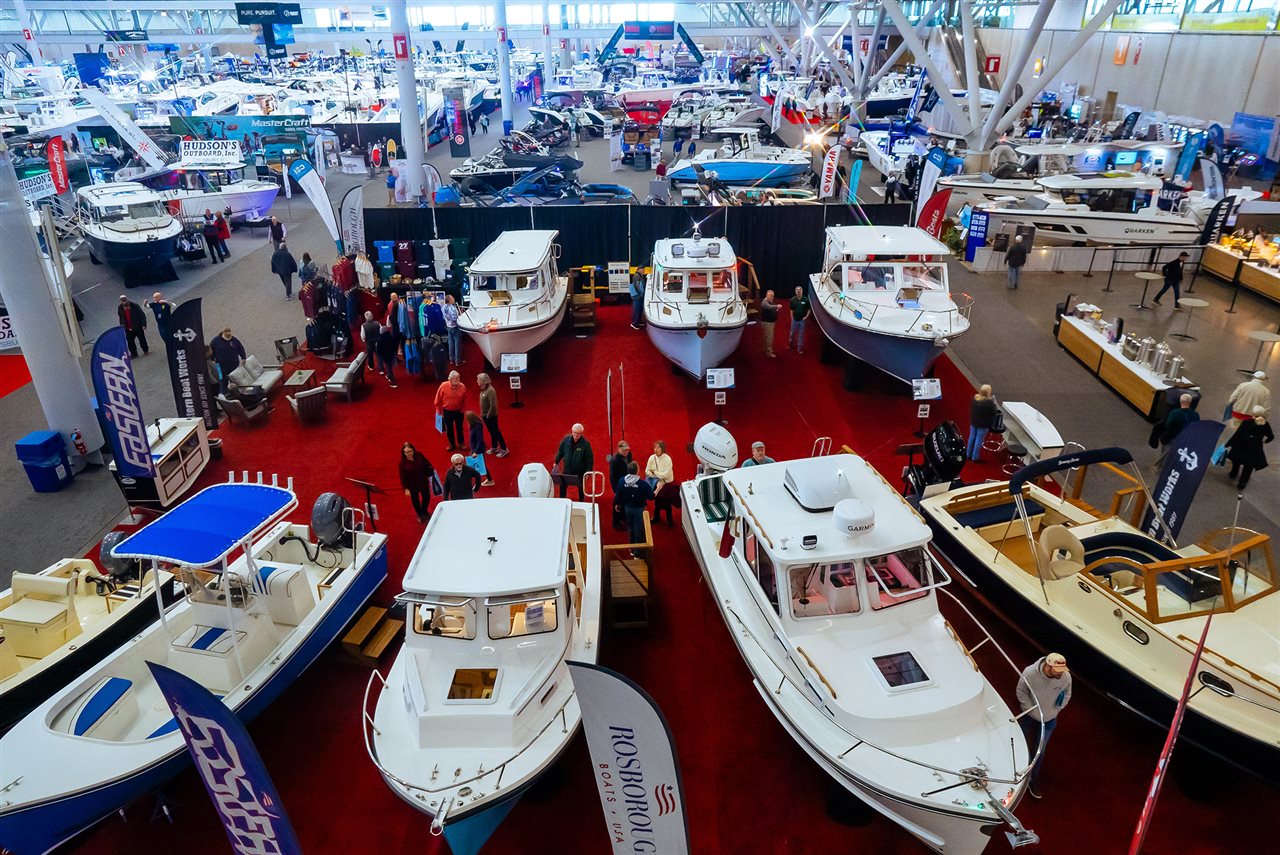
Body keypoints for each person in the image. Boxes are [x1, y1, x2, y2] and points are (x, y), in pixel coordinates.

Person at [1016, 652, 1072, 800]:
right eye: (1057, 671)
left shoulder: (1065, 677)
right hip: (1029, 715)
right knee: (1018, 740)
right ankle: (1013, 769)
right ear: (1048, 666)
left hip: (1049, 718)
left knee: (1040, 749)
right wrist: (1031, 709)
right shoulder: (1030, 673)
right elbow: (1021, 691)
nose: (1060, 675)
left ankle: (1032, 780)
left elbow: (1067, 693)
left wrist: (1057, 709)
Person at [1225, 406, 1273, 489]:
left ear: (1254, 414)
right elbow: (1271, 436)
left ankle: (1233, 473)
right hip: (1254, 448)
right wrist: (1265, 441)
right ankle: (1242, 482)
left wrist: (1228, 444)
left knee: (1237, 460)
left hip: (1241, 445)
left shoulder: (1246, 422)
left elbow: (1237, 434)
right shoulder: (1265, 425)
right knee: (1249, 466)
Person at [1154, 393, 1199, 468]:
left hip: (1173, 437)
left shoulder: (1175, 413)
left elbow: (1168, 425)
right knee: (1180, 454)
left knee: (1165, 452)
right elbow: (1197, 426)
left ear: (1180, 401)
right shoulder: (1195, 414)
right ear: (1190, 402)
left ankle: (1158, 467)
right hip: (1186, 439)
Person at [616, 461, 655, 546]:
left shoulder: (622, 481)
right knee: (638, 529)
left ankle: (631, 548)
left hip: (627, 508)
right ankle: (637, 552)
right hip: (639, 509)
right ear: (637, 471)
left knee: (630, 528)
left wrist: (618, 504)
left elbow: (618, 494)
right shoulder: (643, 484)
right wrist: (658, 488)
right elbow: (651, 496)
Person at [553, 423, 594, 499]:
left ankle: (581, 502)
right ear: (572, 432)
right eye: (574, 433)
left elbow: (589, 459)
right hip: (567, 469)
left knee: (581, 488)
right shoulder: (565, 441)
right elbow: (560, 452)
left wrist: (588, 472)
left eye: (578, 434)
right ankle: (562, 501)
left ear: (581, 433)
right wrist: (556, 461)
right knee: (563, 485)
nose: (576, 435)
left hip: (580, 472)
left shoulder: (585, 444)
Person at [399, 443, 435, 523]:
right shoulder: (402, 464)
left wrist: (430, 470)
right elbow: (403, 477)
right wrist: (406, 489)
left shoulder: (419, 455)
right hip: (412, 485)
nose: (409, 454)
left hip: (423, 481)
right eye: (406, 452)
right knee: (415, 500)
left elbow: (426, 463)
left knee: (427, 497)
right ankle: (419, 514)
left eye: (410, 451)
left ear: (413, 450)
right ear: (403, 453)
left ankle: (424, 510)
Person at [476, 373, 509, 457]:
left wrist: (488, 415)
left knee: (496, 432)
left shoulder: (490, 390)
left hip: (491, 416)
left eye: (478, 380)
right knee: (491, 432)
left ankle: (504, 448)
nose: (477, 381)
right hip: (485, 416)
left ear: (484, 381)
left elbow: (493, 405)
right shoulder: (483, 389)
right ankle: (494, 446)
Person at [645, 440, 675, 527]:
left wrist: (654, 472)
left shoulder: (667, 459)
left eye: (658, 447)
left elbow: (665, 475)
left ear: (662, 448)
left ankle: (669, 520)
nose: (655, 449)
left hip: (666, 485)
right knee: (657, 502)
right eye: (655, 447)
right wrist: (658, 475)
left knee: (667, 503)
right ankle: (656, 517)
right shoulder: (651, 458)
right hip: (656, 483)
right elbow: (647, 472)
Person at [434, 371, 467, 451]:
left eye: (459, 378)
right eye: (456, 378)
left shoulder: (462, 386)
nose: (458, 380)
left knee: (460, 428)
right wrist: (438, 410)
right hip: (447, 411)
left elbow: (465, 399)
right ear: (450, 379)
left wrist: (463, 409)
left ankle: (461, 443)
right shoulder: (443, 385)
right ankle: (452, 444)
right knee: (449, 429)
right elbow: (438, 398)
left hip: (459, 411)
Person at [209, 327, 246, 394]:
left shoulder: (234, 340)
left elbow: (241, 349)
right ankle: (223, 396)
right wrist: (212, 360)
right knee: (221, 381)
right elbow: (211, 350)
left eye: (230, 333)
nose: (229, 335)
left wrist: (243, 358)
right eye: (227, 334)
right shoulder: (215, 341)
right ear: (223, 333)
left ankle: (235, 395)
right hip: (219, 366)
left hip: (234, 365)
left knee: (234, 381)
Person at [968, 385, 999, 462]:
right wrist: (994, 404)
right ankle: (975, 457)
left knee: (972, 437)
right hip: (983, 424)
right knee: (979, 440)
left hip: (974, 422)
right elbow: (994, 412)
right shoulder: (989, 403)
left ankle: (968, 454)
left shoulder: (974, 399)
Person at [465, 412, 496, 486]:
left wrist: (475, 451)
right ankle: (486, 479)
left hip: (477, 449)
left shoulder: (476, 427)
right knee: (479, 464)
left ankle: (489, 480)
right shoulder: (476, 425)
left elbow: (480, 440)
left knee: (481, 465)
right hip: (475, 448)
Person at [609, 439, 634, 529]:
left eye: (627, 449)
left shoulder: (629, 454)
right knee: (617, 503)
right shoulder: (614, 460)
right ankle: (616, 522)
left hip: (628, 482)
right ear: (618, 449)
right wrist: (615, 490)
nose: (626, 451)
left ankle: (623, 517)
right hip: (619, 485)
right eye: (623, 450)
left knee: (626, 501)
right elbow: (612, 476)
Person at [788, 285, 809, 354]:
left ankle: (799, 348)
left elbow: (809, 309)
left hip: (802, 321)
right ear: (795, 291)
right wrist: (792, 318)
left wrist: (806, 316)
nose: (798, 291)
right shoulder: (792, 300)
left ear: (802, 291)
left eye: (800, 290)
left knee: (801, 335)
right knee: (792, 333)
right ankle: (790, 344)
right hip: (794, 320)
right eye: (797, 290)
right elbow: (791, 310)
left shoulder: (805, 299)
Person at [442, 294, 462, 365]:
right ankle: (457, 361)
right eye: (452, 298)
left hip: (448, 326)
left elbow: (443, 317)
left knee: (450, 343)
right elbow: (454, 319)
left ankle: (451, 359)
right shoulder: (452, 308)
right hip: (455, 327)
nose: (454, 298)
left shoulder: (443, 307)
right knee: (457, 344)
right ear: (450, 300)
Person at [759, 289, 779, 357]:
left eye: (773, 296)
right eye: (771, 296)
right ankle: (768, 352)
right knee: (769, 337)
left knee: (766, 336)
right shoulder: (764, 302)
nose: (772, 297)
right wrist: (777, 306)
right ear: (767, 295)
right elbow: (769, 307)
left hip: (770, 322)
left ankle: (765, 349)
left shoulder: (769, 301)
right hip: (767, 323)